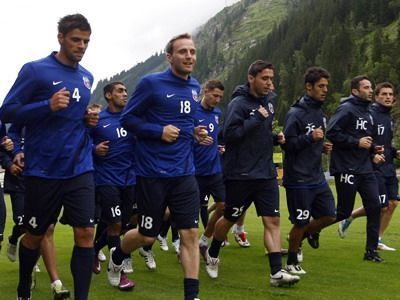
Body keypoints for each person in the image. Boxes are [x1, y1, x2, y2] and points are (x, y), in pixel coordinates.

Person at [0, 14, 97, 300]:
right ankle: (23, 288)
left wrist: (88, 119)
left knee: (85, 234)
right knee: (34, 235)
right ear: (61, 38)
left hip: (80, 166)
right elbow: (7, 113)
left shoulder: (86, 76)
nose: (81, 46)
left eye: (86, 41)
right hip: (43, 170)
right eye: (76, 40)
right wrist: (47, 104)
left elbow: (73, 118)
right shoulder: (35, 71)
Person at [107, 33, 208, 300]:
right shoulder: (151, 84)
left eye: (192, 52)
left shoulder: (195, 86)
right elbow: (128, 120)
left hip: (185, 172)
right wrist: (158, 130)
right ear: (169, 56)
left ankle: (191, 295)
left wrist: (194, 131)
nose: (189, 56)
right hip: (152, 173)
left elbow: (185, 119)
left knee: (189, 233)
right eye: (183, 52)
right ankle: (117, 256)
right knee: (147, 235)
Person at [205, 60, 300, 287]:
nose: (270, 83)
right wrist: (256, 118)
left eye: (271, 79)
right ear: (251, 78)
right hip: (240, 173)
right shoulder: (238, 104)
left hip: (266, 172)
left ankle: (276, 273)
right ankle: (213, 252)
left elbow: (261, 132)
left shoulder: (269, 102)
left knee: (273, 220)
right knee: (229, 218)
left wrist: (274, 137)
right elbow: (229, 136)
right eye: (265, 78)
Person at [5, 124, 70, 298]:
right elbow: (4, 148)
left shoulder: (52, 124)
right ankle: (14, 238)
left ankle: (55, 283)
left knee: (46, 229)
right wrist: (9, 163)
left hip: (44, 184)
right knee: (25, 226)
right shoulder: (16, 124)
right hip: (19, 184)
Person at [282, 67, 336, 275]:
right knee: (301, 221)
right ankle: (291, 262)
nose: (325, 90)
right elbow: (287, 144)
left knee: (330, 215)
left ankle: (300, 236)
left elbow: (312, 140)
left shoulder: (319, 112)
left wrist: (320, 146)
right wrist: (309, 139)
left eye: (326, 87)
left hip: (316, 176)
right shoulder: (296, 113)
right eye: (321, 86)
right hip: (299, 178)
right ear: (308, 86)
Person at [326, 75, 382, 262]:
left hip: (365, 169)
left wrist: (374, 151)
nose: (370, 90)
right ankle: (308, 230)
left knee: (375, 206)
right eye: (366, 87)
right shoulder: (346, 109)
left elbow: (367, 138)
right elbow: (332, 132)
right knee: (342, 212)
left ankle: (371, 251)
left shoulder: (369, 112)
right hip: (346, 168)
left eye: (371, 87)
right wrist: (355, 142)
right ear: (355, 91)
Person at [338, 82, 399, 251]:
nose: (388, 97)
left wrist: (394, 153)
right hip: (373, 167)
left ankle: (377, 239)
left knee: (393, 203)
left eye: (390, 94)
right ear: (377, 97)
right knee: (381, 205)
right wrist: (372, 156)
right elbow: (365, 142)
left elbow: (385, 144)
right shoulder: (370, 114)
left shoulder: (389, 118)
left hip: (388, 167)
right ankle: (349, 218)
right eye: (384, 94)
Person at [90, 82, 135, 290]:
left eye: (126, 91)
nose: (125, 94)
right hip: (107, 179)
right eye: (120, 91)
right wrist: (94, 148)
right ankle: (118, 271)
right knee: (116, 223)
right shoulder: (98, 121)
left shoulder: (132, 119)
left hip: (131, 180)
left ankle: (94, 248)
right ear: (108, 95)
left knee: (125, 224)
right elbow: (82, 141)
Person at [195, 80, 227, 260]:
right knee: (188, 215)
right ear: (205, 91)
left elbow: (215, 136)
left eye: (220, 97)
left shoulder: (217, 113)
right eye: (215, 95)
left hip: (214, 169)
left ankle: (204, 239)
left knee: (224, 206)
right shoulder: (192, 110)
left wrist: (218, 147)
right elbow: (183, 138)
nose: (217, 100)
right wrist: (196, 139)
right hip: (194, 172)